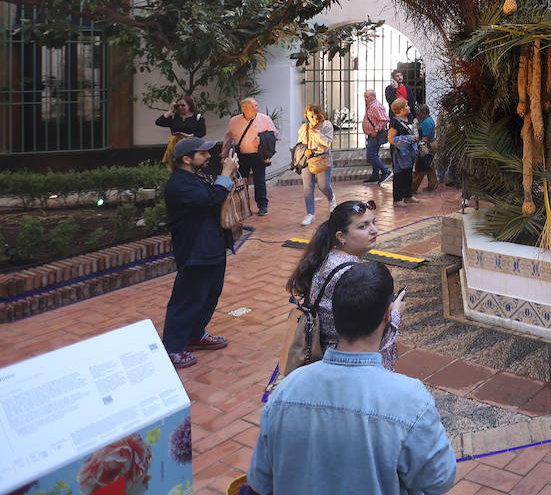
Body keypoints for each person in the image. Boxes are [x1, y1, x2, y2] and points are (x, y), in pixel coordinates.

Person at [247, 261, 455, 495]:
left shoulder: (286, 391)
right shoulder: (411, 401)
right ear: (388, 314)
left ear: (335, 314)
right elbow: (439, 479)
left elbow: (260, 482)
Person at [285, 199, 402, 368]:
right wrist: (396, 313)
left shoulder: (329, 257)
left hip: (329, 353)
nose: (374, 230)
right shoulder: (351, 274)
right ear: (341, 236)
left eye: (373, 223)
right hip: (351, 361)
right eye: (363, 226)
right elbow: (371, 333)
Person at [162, 137, 237, 370]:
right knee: (187, 299)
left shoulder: (195, 177)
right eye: (202, 153)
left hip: (211, 246)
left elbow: (215, 199)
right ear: (187, 159)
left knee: (209, 294)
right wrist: (225, 174)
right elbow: (209, 199)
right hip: (195, 250)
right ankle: (172, 348)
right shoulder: (178, 184)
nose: (208, 156)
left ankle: (195, 334)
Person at [222, 97, 278, 217]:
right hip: (242, 155)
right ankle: (243, 207)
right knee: (242, 182)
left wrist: (262, 139)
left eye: (256, 105)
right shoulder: (234, 121)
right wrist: (224, 155)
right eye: (252, 106)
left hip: (258, 154)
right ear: (244, 108)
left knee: (260, 180)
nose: (255, 108)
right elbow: (228, 138)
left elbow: (274, 134)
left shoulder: (265, 119)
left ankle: (262, 206)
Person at [295, 104, 335, 226]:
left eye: (314, 114)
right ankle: (310, 214)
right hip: (307, 160)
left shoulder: (326, 125)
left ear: (319, 114)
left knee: (323, 186)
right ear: (306, 115)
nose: (312, 117)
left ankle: (331, 198)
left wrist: (316, 132)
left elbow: (327, 143)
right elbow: (300, 144)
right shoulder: (303, 128)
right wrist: (305, 150)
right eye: (309, 114)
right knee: (307, 187)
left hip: (322, 158)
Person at [155, 95, 206, 167]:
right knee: (175, 166)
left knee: (190, 165)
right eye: (178, 106)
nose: (180, 108)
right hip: (175, 146)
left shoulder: (197, 118)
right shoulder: (174, 118)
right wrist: (170, 110)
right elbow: (159, 122)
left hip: (190, 145)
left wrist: (190, 136)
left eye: (183, 105)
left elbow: (202, 132)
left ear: (189, 105)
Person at [387, 98, 418, 207]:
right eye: (406, 106)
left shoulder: (408, 119)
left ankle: (408, 195)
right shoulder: (395, 122)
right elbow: (391, 139)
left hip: (408, 152)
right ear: (400, 109)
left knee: (408, 173)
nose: (409, 108)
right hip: (399, 153)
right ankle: (397, 199)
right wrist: (408, 138)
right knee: (399, 174)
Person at [361, 89, 391, 184]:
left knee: (371, 156)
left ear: (373, 96)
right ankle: (375, 175)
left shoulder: (376, 106)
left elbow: (384, 120)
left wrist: (376, 130)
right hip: (371, 135)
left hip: (375, 135)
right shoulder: (371, 106)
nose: (365, 98)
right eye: (365, 96)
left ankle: (386, 172)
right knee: (374, 155)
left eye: (367, 96)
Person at [415, 104, 438, 193]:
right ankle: (433, 185)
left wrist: (420, 148)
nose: (418, 116)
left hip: (428, 145)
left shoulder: (426, 123)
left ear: (424, 113)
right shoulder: (427, 120)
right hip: (431, 144)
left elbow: (425, 138)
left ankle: (413, 187)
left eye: (419, 114)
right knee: (429, 166)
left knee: (422, 166)